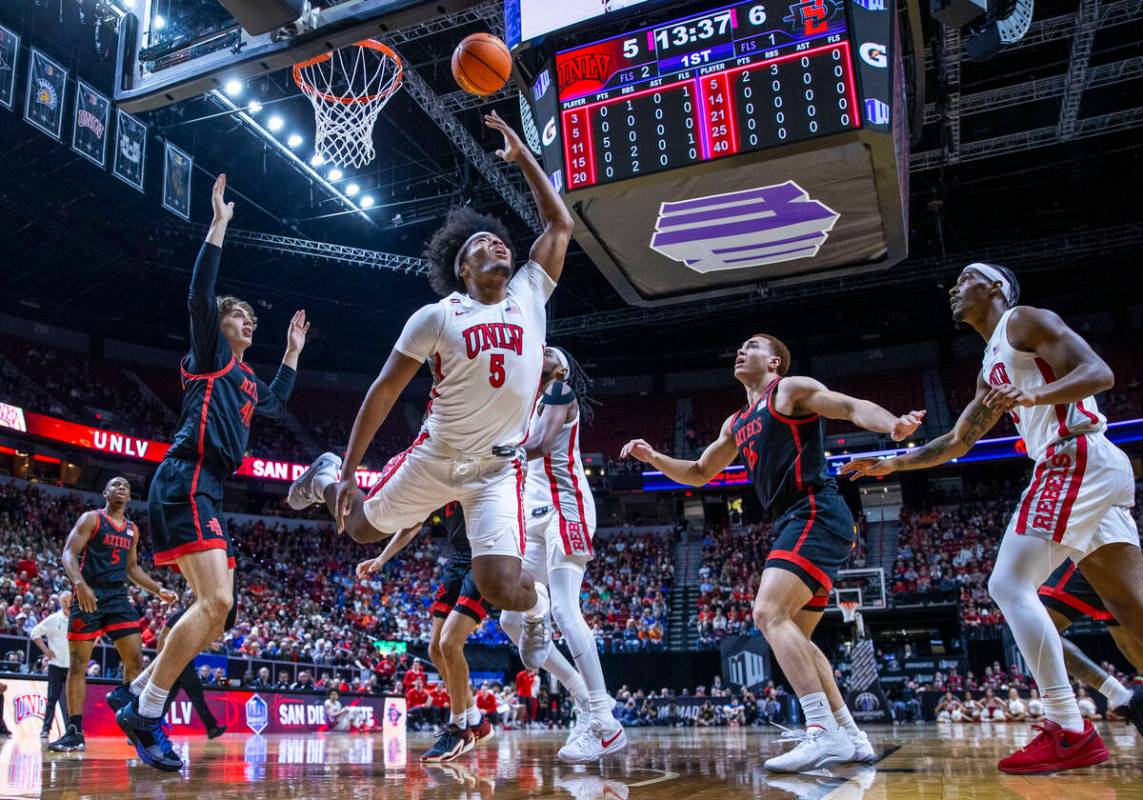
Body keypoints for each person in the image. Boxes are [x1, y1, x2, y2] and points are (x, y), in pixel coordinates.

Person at [287, 111, 575, 672]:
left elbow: (559, 226)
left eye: (500, 240)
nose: (496, 242)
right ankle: (321, 475)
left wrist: (525, 162)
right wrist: (348, 470)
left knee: (500, 586)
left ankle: (537, 610)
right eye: (480, 243)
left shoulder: (528, 295)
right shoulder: (437, 317)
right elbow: (385, 389)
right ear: (463, 267)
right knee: (361, 529)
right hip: (437, 455)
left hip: (499, 468)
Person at [843, 262, 1142, 773]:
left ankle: (1068, 727)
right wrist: (890, 462)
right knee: (1132, 608)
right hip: (1095, 467)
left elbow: (1100, 373)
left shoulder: (1023, 320)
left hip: (1073, 456)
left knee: (1008, 585)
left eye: (967, 279)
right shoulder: (990, 366)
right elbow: (957, 441)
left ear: (997, 288)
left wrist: (1036, 395)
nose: (955, 288)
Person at [621, 334, 924, 772]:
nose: (740, 351)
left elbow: (849, 405)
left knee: (767, 613)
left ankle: (820, 731)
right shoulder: (736, 422)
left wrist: (893, 424)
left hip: (816, 509)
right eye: (739, 347)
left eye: (752, 345)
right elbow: (700, 472)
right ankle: (850, 736)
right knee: (796, 636)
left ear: (774, 361)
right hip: (794, 520)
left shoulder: (789, 390)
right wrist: (655, 458)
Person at [115, 174, 308, 771]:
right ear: (220, 326)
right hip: (186, 477)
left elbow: (273, 400)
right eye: (239, 316)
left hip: (211, 489)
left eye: (252, 318)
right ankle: (145, 712)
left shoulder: (247, 378)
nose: (247, 321)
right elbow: (201, 294)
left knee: (216, 612)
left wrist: (293, 354)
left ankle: (136, 690)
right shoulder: (209, 354)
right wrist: (219, 226)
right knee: (217, 598)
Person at [501, 345, 625, 762]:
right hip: (532, 516)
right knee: (511, 618)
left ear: (563, 366)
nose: (541, 350)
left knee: (565, 612)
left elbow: (539, 443)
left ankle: (604, 718)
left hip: (564, 507)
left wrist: (492, 455)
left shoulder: (559, 391)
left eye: (550, 350)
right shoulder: (526, 401)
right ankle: (581, 698)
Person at [356, 503, 494, 761]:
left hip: (484, 558)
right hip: (458, 561)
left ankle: (460, 728)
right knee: (434, 649)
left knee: (450, 644)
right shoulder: (438, 481)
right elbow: (413, 523)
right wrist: (382, 558)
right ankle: (476, 721)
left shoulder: (474, 470)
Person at [49, 478, 177, 753]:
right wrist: (79, 585)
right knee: (77, 664)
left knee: (135, 659)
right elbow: (68, 555)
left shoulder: (132, 529)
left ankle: (134, 723)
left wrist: (158, 590)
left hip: (117, 597)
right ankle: (74, 731)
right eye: (115, 485)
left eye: (126, 487)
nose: (121, 488)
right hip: (88, 596)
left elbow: (132, 568)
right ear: (105, 492)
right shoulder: (91, 519)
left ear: (129, 497)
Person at [1038, 559, 1143, 734]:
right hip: (1109, 553)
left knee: (1037, 628)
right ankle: (1123, 697)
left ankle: (1122, 697)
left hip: (1092, 551)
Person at [156, 605, 226, 739]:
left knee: (169, 697)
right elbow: (163, 634)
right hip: (180, 661)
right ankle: (211, 727)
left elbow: (197, 639)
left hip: (180, 661)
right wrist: (160, 657)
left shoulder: (195, 618)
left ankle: (150, 727)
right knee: (196, 696)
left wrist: (210, 644)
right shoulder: (181, 615)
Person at [30, 591, 71, 739]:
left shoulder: (77, 619)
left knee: (71, 700)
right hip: (56, 665)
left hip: (72, 667)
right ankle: (46, 729)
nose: (68, 603)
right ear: (60, 603)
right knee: (52, 698)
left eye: (70, 600)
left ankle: (71, 730)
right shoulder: (54, 619)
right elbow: (35, 633)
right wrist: (46, 651)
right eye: (65, 601)